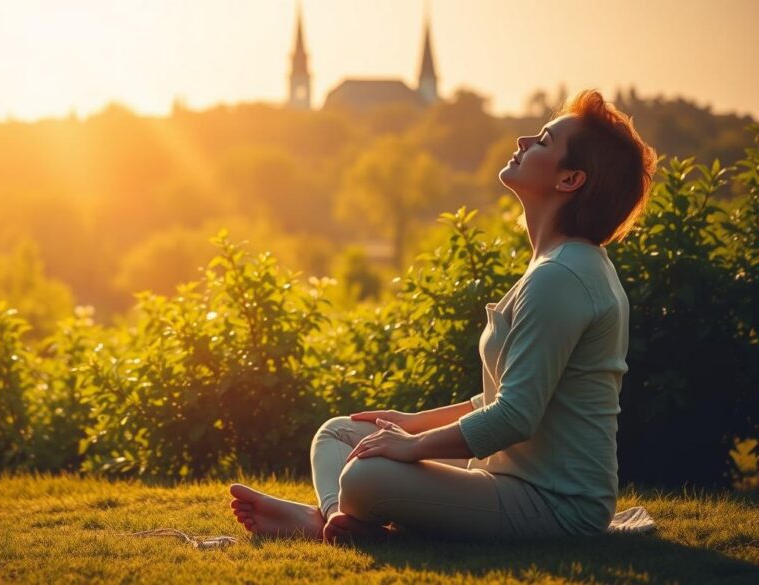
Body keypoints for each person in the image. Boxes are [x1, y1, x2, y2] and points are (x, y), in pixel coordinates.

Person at [228, 88, 658, 544]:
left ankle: (329, 519)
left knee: (363, 475)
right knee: (339, 435)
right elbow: (501, 398)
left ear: (570, 180)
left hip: (552, 504)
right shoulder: (558, 265)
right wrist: (410, 421)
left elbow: (514, 417)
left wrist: (412, 446)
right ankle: (337, 522)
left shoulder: (563, 277)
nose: (523, 140)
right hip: (505, 473)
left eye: (544, 141)